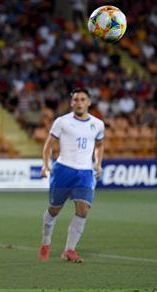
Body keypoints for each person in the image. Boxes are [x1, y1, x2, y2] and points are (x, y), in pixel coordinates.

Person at [38, 88, 105, 263]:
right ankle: (46, 242)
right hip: (63, 170)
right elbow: (48, 146)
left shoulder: (98, 124)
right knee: (54, 209)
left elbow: (99, 145)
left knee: (83, 211)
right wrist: (46, 165)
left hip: (85, 173)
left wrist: (98, 163)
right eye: (76, 99)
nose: (79, 102)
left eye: (83, 99)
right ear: (71, 103)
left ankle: (69, 250)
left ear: (89, 102)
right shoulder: (62, 122)